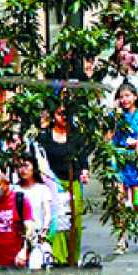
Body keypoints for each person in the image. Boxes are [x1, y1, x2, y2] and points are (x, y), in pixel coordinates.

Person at [41, 106, 87, 266]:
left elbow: (83, 157)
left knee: (75, 222)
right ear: (54, 115)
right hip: (53, 182)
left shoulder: (76, 135)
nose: (63, 117)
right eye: (60, 114)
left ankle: (73, 257)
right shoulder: (45, 136)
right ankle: (60, 259)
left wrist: (84, 171)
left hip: (73, 182)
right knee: (58, 222)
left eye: (67, 114)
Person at [109, 82, 138, 252]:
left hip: (136, 160)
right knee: (119, 201)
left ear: (135, 97)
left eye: (127, 96)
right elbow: (108, 137)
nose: (124, 100)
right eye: (121, 96)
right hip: (119, 160)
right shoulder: (115, 116)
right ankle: (121, 239)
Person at [0, 162, 34, 271]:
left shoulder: (20, 199)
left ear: (6, 183)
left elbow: (30, 227)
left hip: (16, 259)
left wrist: (24, 250)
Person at [15, 150, 56, 269]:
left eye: (26, 166)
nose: (23, 170)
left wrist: (45, 229)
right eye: (20, 167)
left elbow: (47, 213)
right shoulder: (15, 189)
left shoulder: (42, 189)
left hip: (37, 236)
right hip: (18, 236)